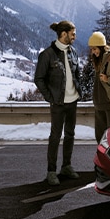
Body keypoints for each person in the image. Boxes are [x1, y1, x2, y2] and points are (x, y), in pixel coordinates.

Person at [34, 21, 82, 186]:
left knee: (70, 134)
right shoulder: (47, 55)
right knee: (55, 136)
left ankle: (66, 166)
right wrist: (50, 97)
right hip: (58, 103)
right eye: (73, 34)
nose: (75, 37)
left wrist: (78, 91)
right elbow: (38, 79)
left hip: (72, 101)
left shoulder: (73, 52)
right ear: (64, 34)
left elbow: (77, 75)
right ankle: (51, 171)